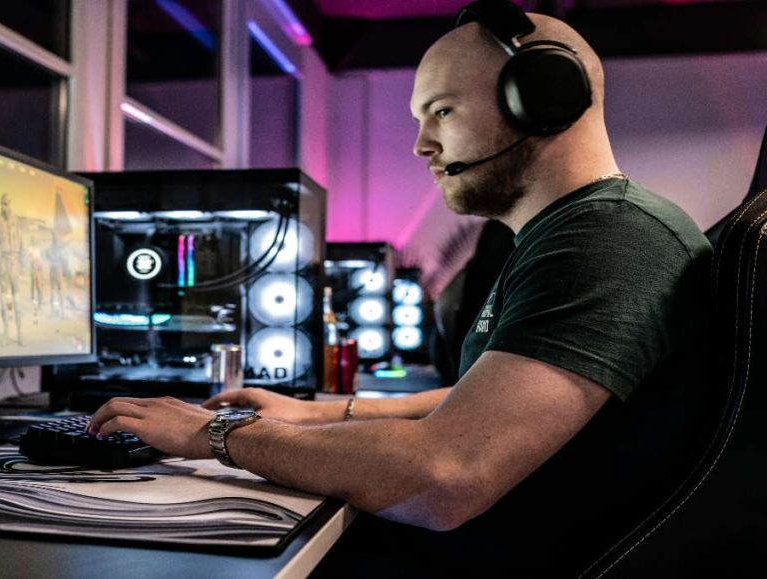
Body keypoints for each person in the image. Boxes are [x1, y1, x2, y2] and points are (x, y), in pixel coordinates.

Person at [88, 1, 715, 575]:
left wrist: (213, 437)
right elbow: (489, 396)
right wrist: (317, 414)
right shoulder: (575, 233)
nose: (422, 145)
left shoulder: (607, 241)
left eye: (441, 111)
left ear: (543, 99)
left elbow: (444, 475)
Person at [0, 193, 23, 346]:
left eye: (7, 203)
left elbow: (22, 243)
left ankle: (19, 334)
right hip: (4, 263)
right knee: (3, 301)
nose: (5, 207)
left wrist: (22, 265)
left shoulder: (16, 220)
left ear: (11, 204)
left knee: (17, 302)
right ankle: (6, 332)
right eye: (3, 204)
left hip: (15, 263)